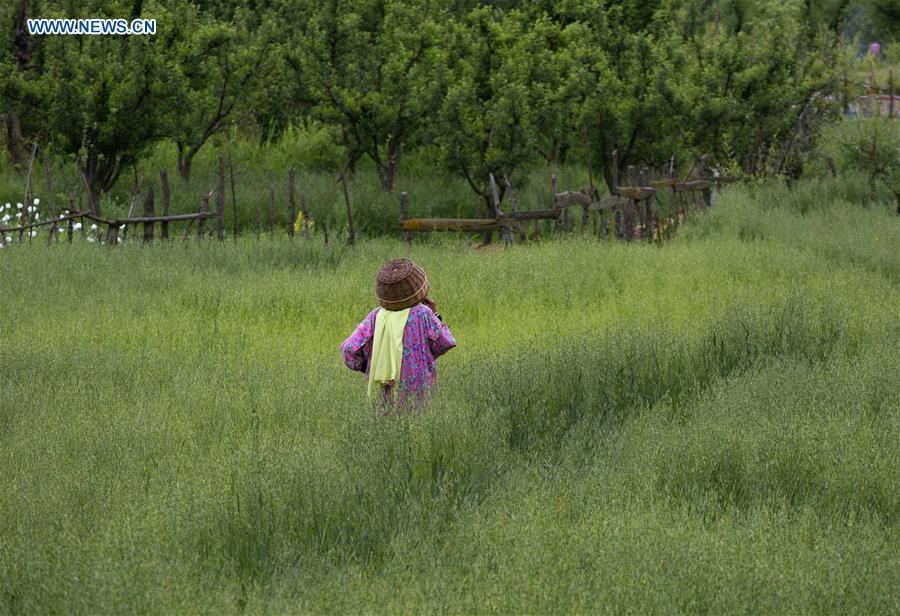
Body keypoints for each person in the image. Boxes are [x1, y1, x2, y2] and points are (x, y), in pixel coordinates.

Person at [340, 258, 456, 409]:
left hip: (387, 386)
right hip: (419, 386)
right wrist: (435, 315)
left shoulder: (376, 316)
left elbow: (349, 348)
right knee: (419, 425)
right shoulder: (423, 313)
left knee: (389, 426)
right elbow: (444, 343)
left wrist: (369, 365)